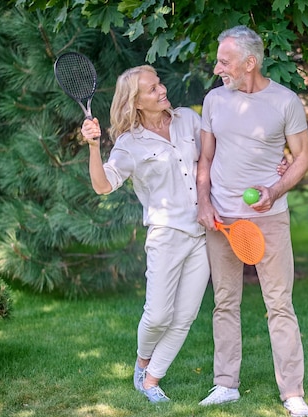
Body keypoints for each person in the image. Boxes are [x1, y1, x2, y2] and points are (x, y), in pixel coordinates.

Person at [196, 25, 308, 417]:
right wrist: (204, 203)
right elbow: (205, 160)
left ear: (251, 62)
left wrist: (275, 191)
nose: (217, 68)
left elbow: (302, 159)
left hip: (270, 219)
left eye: (224, 61)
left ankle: (292, 393)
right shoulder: (214, 100)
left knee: (279, 304)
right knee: (224, 302)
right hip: (223, 220)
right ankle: (225, 384)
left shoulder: (285, 102)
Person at [80, 65, 211, 403]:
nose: (162, 90)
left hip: (202, 232)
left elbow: (218, 158)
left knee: (185, 316)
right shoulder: (129, 144)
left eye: (159, 84)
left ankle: (151, 380)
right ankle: (142, 362)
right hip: (166, 234)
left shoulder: (188, 120)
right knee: (158, 315)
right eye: (152, 90)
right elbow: (103, 185)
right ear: (136, 102)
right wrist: (94, 147)